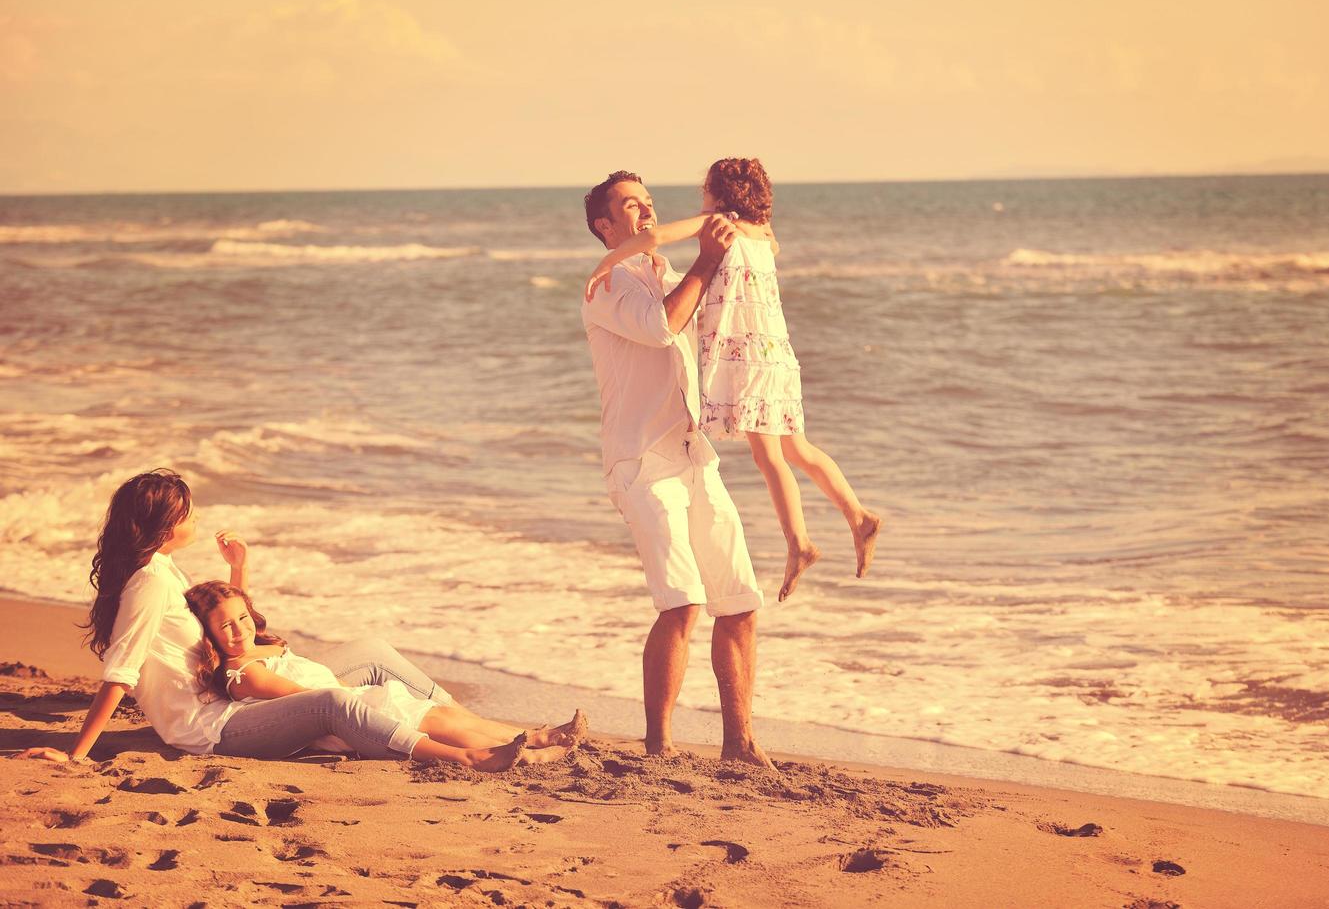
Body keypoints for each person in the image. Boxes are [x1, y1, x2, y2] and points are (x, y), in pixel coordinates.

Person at [16, 469, 565, 772]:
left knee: (372, 653)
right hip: (212, 727)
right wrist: (75, 753)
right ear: (163, 525)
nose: (196, 518)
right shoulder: (149, 584)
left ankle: (483, 728)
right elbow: (121, 673)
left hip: (234, 688)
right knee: (334, 702)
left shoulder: (162, 565)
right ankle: (466, 755)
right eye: (188, 513)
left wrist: (239, 571)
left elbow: (231, 629)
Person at [585, 158, 881, 599]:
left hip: (749, 356)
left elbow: (656, 236)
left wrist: (607, 261)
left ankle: (798, 542)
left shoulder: (718, 221)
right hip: (778, 352)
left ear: (718, 196)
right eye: (634, 204)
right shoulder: (764, 235)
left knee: (769, 457)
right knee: (797, 448)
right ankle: (858, 515)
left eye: (704, 193)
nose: (651, 209)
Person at [580, 170, 772, 767]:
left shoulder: (663, 270)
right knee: (682, 601)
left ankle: (739, 743)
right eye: (629, 207)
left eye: (649, 203)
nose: (645, 213)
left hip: (692, 452)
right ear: (604, 226)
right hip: (641, 461)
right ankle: (658, 743)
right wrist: (706, 260)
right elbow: (662, 325)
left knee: (739, 598)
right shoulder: (607, 282)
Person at [185, 581, 580, 769]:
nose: (240, 630)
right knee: (439, 720)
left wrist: (237, 567)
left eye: (243, 618)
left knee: (447, 717)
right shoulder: (246, 674)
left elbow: (241, 614)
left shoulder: (250, 646)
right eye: (226, 628)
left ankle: (531, 739)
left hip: (352, 702)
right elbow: (306, 697)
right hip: (347, 712)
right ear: (209, 637)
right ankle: (521, 753)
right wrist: (366, 700)